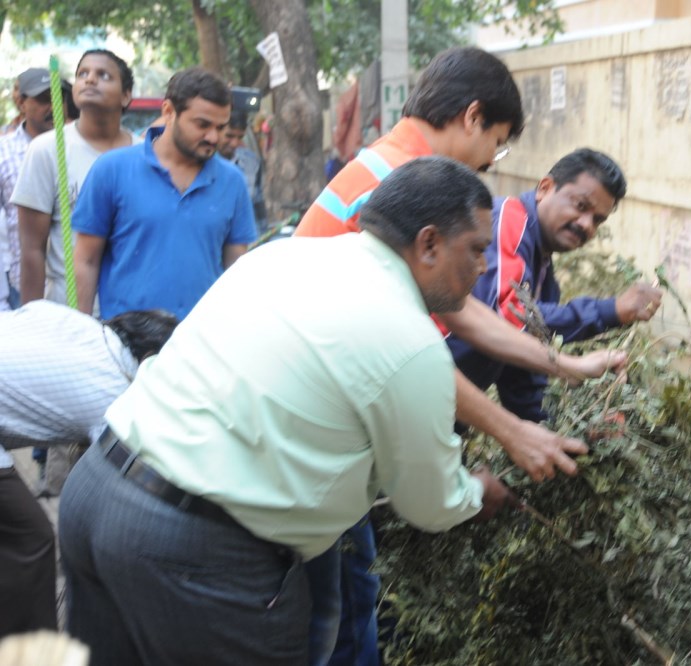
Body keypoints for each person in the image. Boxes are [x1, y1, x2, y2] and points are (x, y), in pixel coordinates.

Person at [59, 157, 515, 665]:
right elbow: (431, 504)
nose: (481, 267)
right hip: (194, 549)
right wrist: (477, 490)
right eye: (475, 250)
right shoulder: (412, 343)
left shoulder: (280, 258)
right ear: (428, 243)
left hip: (96, 490)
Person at [295, 46, 628, 666]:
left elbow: (458, 310)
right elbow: (415, 353)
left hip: (334, 441)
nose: (490, 162)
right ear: (473, 118)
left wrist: (563, 365)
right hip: (317, 449)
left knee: (352, 603)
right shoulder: (401, 185)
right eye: (497, 144)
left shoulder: (393, 168)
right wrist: (510, 434)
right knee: (337, 625)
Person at [0, 301, 178, 639]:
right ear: (151, 360)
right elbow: (124, 480)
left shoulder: (78, 325)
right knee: (30, 539)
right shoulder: (117, 392)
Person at [450, 148, 662, 424]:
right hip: (418, 398)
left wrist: (570, 430)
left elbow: (521, 378)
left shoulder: (544, 276)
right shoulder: (509, 220)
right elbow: (510, 317)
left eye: (598, 220)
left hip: (449, 414)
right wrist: (610, 311)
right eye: (580, 205)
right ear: (545, 188)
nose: (586, 224)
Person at [73, 67, 257, 320]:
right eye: (202, 125)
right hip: (126, 340)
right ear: (169, 112)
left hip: (201, 340)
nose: (213, 137)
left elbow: (235, 268)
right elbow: (86, 260)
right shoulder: (111, 169)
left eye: (220, 127)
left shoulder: (232, 182)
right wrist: (81, 331)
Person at [12, 49, 138, 307]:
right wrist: (32, 320)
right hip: (65, 310)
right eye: (83, 74)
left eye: (103, 75)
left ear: (126, 95)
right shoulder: (46, 149)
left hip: (130, 312)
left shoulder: (144, 153)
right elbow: (32, 250)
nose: (90, 80)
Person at [0, 68, 59, 310]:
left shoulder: (74, 148)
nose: (53, 106)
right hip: (18, 286)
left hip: (69, 284)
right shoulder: (4, 152)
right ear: (21, 103)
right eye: (44, 99)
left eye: (57, 97)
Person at [217, 110, 265, 232]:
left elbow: (257, 203)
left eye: (240, 137)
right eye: (229, 136)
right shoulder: (198, 163)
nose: (234, 143)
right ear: (216, 132)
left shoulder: (252, 162)